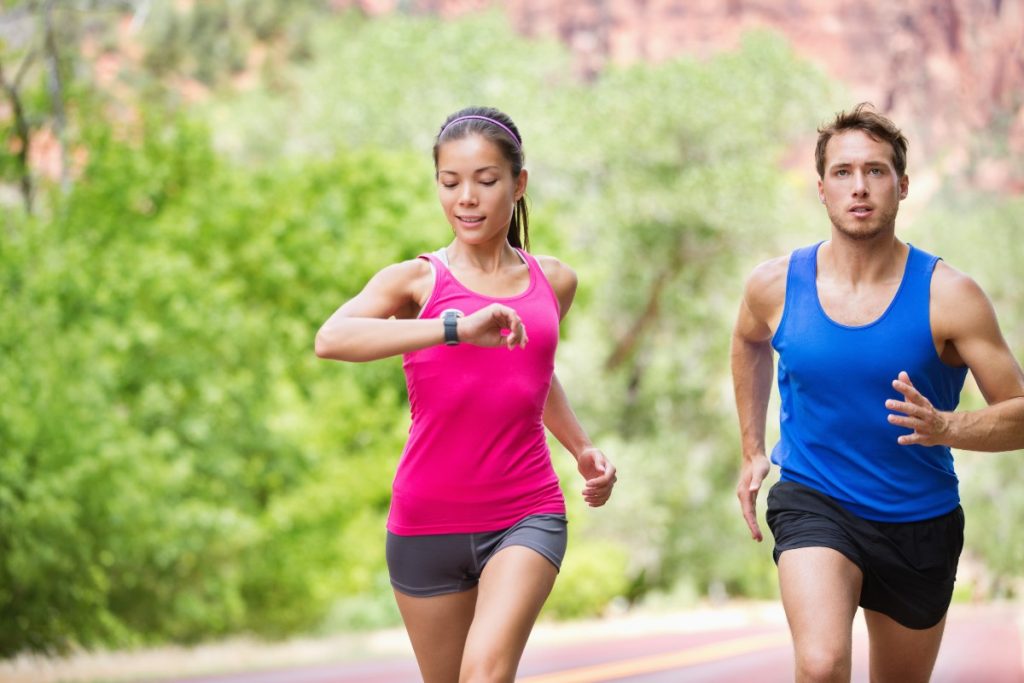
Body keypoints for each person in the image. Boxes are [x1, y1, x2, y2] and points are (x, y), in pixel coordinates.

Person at [315, 106, 617, 683]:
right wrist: (454, 327)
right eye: (451, 183)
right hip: (425, 521)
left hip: (524, 511)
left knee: (485, 674)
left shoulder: (554, 280)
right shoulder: (415, 281)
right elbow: (331, 339)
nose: (467, 199)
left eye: (485, 180)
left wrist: (580, 447)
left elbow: (531, 370)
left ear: (518, 183)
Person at [731, 102, 1024, 683]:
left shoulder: (950, 296)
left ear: (903, 186)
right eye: (843, 172)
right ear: (821, 188)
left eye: (876, 171)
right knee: (820, 666)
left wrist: (946, 427)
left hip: (919, 520)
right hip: (815, 499)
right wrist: (751, 447)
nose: (859, 187)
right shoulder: (775, 285)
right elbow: (748, 340)